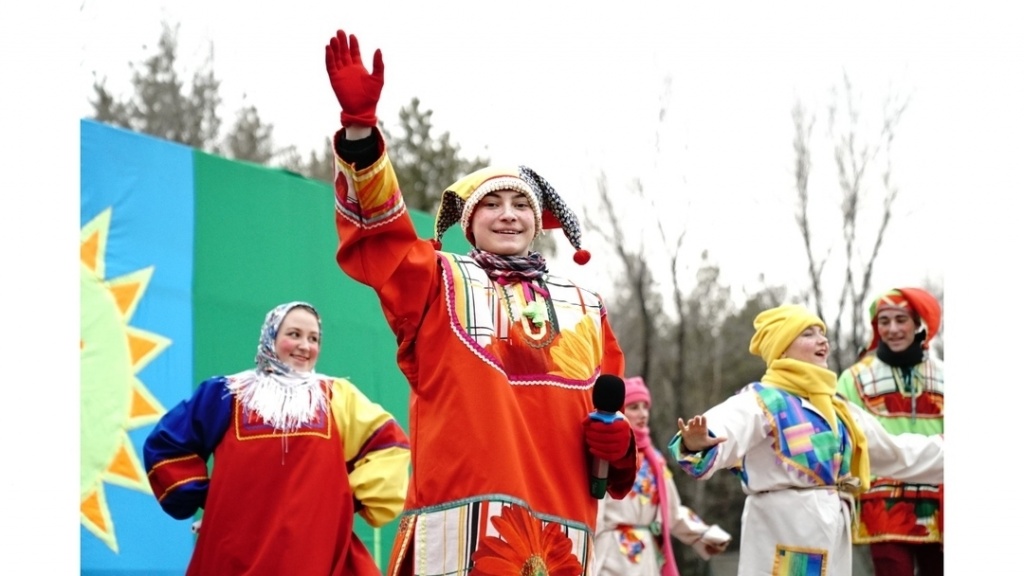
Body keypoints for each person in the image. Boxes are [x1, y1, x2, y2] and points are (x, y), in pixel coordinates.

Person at [323, 28, 638, 576]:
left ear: (537, 223)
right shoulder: (437, 280)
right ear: (470, 224)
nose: (509, 214)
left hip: (561, 528)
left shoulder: (586, 305)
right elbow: (385, 238)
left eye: (520, 203)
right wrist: (360, 136)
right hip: (460, 522)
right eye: (492, 204)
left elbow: (608, 431)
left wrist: (619, 444)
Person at [668, 304, 943, 576]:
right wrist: (697, 442)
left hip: (834, 527)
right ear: (783, 347)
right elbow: (726, 424)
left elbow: (896, 452)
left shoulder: (840, 410)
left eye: (822, 333)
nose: (822, 339)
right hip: (786, 528)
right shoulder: (765, 400)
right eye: (808, 334)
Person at [143, 301, 411, 576]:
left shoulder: (337, 396)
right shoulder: (226, 393)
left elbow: (389, 446)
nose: (305, 346)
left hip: (314, 550)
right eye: (294, 334)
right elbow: (166, 445)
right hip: (235, 549)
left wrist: (341, 505)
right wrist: (210, 502)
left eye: (314, 338)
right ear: (270, 336)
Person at [837, 288, 944, 576]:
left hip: (940, 499)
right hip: (882, 499)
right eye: (884, 321)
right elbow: (842, 436)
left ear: (917, 323)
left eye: (901, 319)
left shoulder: (946, 375)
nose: (893, 329)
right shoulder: (855, 378)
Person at [594, 376, 731, 576]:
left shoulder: (654, 460)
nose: (642, 414)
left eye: (645, 407)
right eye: (633, 407)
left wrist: (703, 535)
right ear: (619, 411)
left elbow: (671, 511)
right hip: (610, 555)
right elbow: (593, 512)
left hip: (648, 558)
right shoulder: (606, 454)